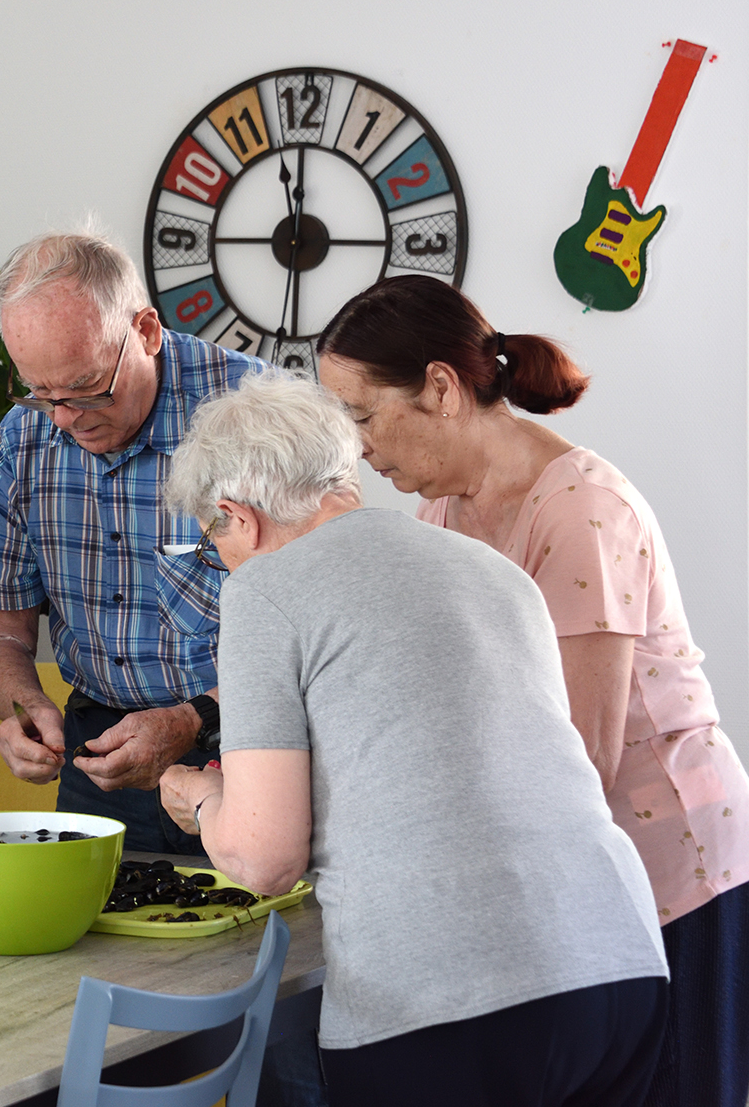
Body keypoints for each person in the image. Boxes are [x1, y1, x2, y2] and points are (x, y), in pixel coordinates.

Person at [156, 371, 668, 1106]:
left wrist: (206, 798)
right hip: (616, 967)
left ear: (240, 517)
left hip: (447, 1001)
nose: (223, 557)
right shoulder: (495, 571)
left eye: (214, 538)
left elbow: (265, 857)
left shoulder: (265, 590)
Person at [315, 275, 749, 1107]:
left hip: (673, 858)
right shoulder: (443, 517)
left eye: (365, 415)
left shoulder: (582, 508)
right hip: (577, 868)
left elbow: (581, 751)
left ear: (440, 388)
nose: (361, 448)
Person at [0, 231, 257, 853]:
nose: (67, 418)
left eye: (90, 387)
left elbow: (319, 642)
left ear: (146, 331)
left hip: (248, 757)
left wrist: (190, 721)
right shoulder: (24, 443)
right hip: (95, 757)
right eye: (43, 395)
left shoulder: (254, 419)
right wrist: (22, 708)